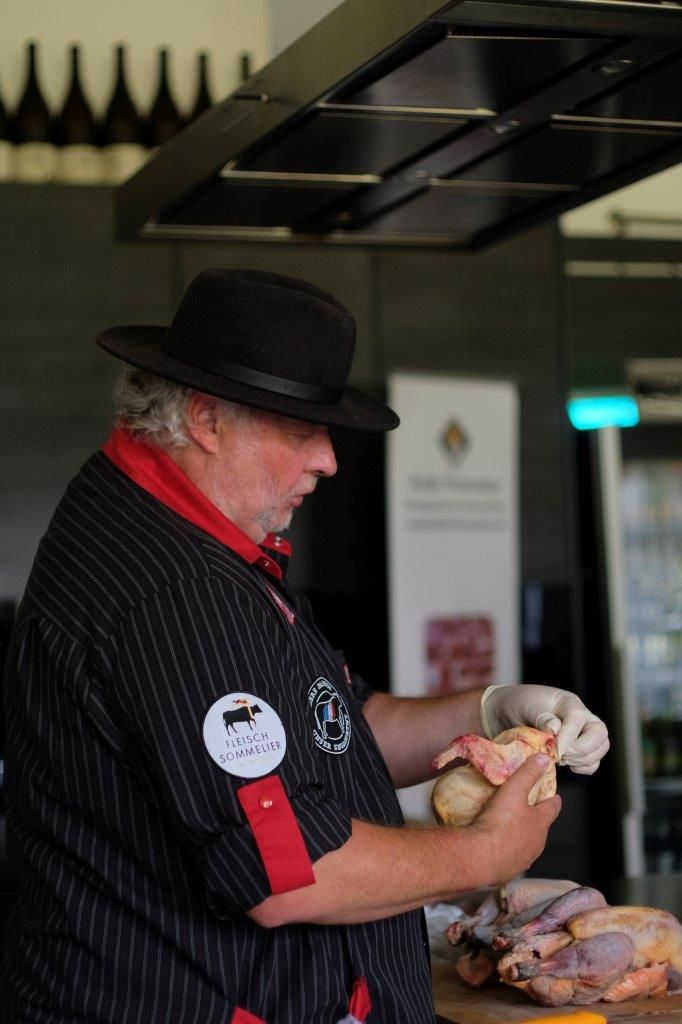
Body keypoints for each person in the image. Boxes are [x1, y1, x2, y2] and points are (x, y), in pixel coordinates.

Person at [1, 269, 609, 1024]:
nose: (327, 459)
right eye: (299, 430)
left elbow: (336, 728)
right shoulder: (177, 591)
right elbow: (291, 872)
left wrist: (493, 709)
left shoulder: (201, 536)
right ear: (206, 419)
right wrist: (486, 855)